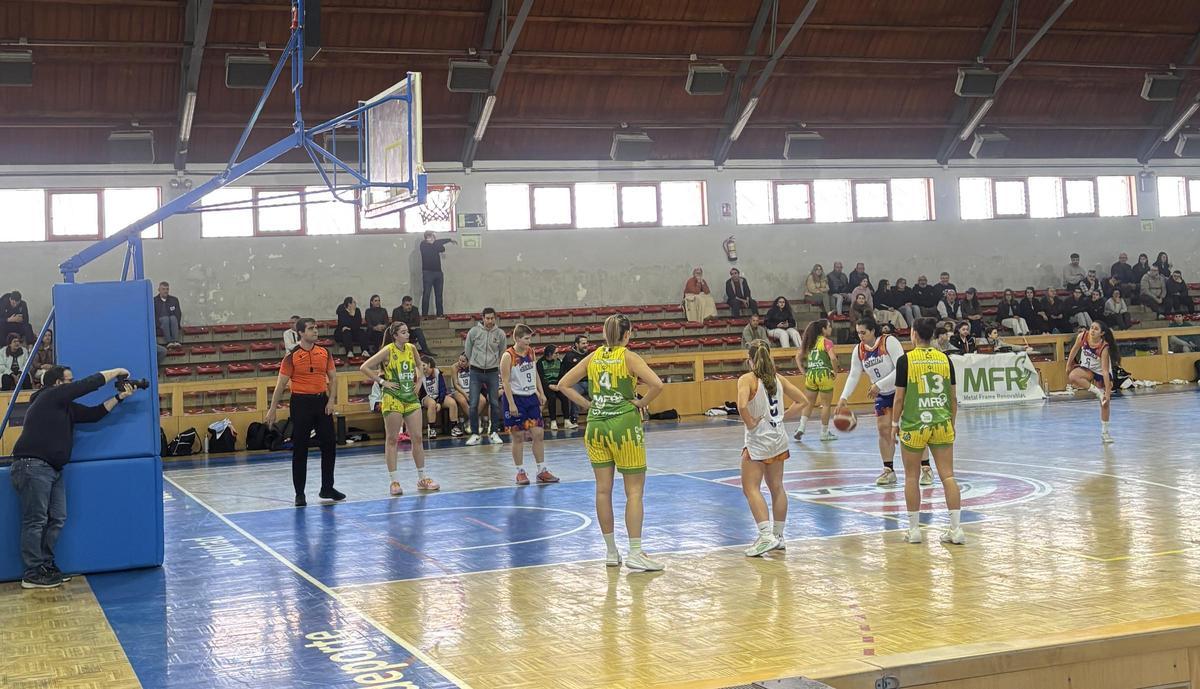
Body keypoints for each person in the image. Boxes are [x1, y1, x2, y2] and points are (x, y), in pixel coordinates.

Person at [9, 365, 138, 588]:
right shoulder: (49, 396)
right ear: (58, 383)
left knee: (57, 518)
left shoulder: (63, 407)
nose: (72, 383)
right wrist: (117, 371)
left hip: (51, 469)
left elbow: (94, 414)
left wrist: (120, 397)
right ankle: (32, 572)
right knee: (36, 520)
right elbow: (87, 384)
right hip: (33, 466)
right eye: (69, 380)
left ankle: (45, 566)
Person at [558, 315, 665, 571]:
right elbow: (657, 384)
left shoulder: (593, 356)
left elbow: (563, 384)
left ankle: (610, 551)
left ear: (605, 334)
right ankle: (636, 552)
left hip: (596, 426)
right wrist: (640, 402)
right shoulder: (628, 357)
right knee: (634, 492)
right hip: (624, 426)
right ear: (627, 335)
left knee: (603, 490)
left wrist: (588, 404)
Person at [892, 317, 965, 545]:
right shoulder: (945, 359)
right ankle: (956, 529)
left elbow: (899, 398)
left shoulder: (906, 361)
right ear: (933, 335)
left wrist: (894, 424)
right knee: (948, 476)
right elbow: (953, 398)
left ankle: (914, 530)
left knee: (912, 477)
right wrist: (951, 422)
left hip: (915, 424)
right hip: (941, 422)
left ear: (913, 334)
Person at [737, 339, 806, 556]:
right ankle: (779, 535)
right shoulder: (778, 379)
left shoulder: (747, 379)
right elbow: (803, 400)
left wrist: (749, 422)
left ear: (750, 360)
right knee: (777, 486)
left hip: (759, 439)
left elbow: (740, 405)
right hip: (778, 437)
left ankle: (766, 535)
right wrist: (783, 417)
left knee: (751, 488)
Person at [266, 318, 345, 507]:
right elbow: (281, 385)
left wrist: (331, 400)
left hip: (321, 402)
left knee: (329, 444)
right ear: (301, 333)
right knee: (300, 447)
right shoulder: (291, 357)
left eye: (316, 328)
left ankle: (327, 487)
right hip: (300, 403)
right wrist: (272, 409)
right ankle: (299, 493)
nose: (315, 331)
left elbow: (333, 378)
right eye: (311, 329)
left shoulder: (324, 352)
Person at [836, 317, 922, 487]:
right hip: (883, 394)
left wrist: (879, 384)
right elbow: (854, 374)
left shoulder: (889, 341)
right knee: (883, 430)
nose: (860, 336)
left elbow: (901, 369)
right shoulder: (859, 350)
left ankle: (925, 467)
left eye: (863, 332)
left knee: (910, 430)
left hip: (902, 389)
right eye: (858, 332)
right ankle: (889, 470)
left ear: (873, 331)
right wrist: (843, 397)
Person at [359, 322, 440, 495]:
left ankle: (422, 478)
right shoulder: (388, 350)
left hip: (410, 397)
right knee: (392, 439)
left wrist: (419, 381)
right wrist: (382, 382)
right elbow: (364, 367)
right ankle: (394, 481)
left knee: (417, 437)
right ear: (395, 335)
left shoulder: (411, 348)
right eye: (403, 332)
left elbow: (419, 365)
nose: (407, 334)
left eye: (407, 331)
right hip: (392, 397)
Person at [500, 324, 559, 485]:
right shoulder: (508, 356)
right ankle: (520, 471)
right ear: (517, 338)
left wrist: (540, 392)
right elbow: (505, 381)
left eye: (530, 338)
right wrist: (511, 404)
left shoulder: (531, 352)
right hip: (516, 398)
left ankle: (541, 470)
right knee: (518, 437)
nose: (529, 341)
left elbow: (535, 374)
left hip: (531, 397)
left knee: (538, 433)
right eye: (526, 338)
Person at [1065, 321, 1118, 444]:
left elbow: (1105, 371)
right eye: (1091, 328)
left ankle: (1105, 432)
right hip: (1087, 368)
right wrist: (1068, 365)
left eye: (1096, 329)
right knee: (1073, 376)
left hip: (1100, 372)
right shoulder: (1082, 336)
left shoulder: (1104, 347)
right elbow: (1074, 350)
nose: (1092, 330)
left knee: (1105, 403)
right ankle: (1097, 392)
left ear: (1102, 333)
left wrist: (1108, 393)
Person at [464, 307, 506, 446]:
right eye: (487, 318)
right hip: (476, 371)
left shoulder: (500, 334)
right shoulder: (474, 332)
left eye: (492, 318)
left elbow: (502, 352)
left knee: (494, 403)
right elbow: (468, 350)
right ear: (482, 318)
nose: (489, 321)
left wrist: (498, 366)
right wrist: (474, 361)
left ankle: (494, 432)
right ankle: (475, 433)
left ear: (495, 318)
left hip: (493, 371)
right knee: (473, 403)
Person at [793, 318, 837, 442]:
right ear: (823, 329)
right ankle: (824, 433)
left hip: (811, 375)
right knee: (826, 405)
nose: (830, 328)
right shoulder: (826, 342)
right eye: (829, 326)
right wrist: (835, 371)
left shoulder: (809, 342)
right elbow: (833, 358)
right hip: (824, 374)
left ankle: (801, 427)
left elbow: (797, 357)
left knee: (809, 403)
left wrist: (804, 372)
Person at [419, 354, 458, 439]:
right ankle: (432, 429)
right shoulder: (419, 375)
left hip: (438, 396)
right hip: (426, 397)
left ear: (429, 364)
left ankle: (454, 427)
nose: (422, 367)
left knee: (452, 403)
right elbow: (421, 393)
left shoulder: (437, 372)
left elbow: (442, 388)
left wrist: (440, 402)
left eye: (424, 365)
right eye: (420, 365)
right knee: (432, 403)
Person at [420, 231, 456, 318]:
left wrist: (449, 240)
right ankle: (425, 315)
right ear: (427, 237)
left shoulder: (435, 244)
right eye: (432, 236)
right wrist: (447, 240)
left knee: (439, 295)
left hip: (438, 272)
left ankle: (440, 314)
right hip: (428, 272)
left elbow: (442, 248)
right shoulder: (423, 245)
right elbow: (439, 244)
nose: (434, 238)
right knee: (426, 294)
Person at [558, 335, 589, 428]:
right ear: (576, 344)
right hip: (577, 383)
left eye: (586, 343)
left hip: (589, 381)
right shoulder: (569, 356)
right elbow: (562, 371)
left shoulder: (589, 355)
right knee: (574, 393)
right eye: (583, 343)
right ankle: (574, 419)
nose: (586, 345)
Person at [538, 344, 570, 432]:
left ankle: (567, 420)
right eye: (556, 353)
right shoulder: (540, 363)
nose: (558, 355)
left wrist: (559, 385)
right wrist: (549, 385)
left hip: (557, 385)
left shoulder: (559, 362)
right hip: (546, 386)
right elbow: (540, 377)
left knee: (564, 396)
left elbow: (562, 375)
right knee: (552, 397)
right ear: (549, 354)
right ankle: (553, 421)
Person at [154, 281, 183, 348]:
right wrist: (158, 325)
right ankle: (169, 342)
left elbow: (178, 314)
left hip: (173, 323)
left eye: (167, 289)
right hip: (160, 324)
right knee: (165, 319)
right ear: (159, 290)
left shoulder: (174, 300)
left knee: (173, 318)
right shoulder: (154, 301)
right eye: (163, 289)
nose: (165, 291)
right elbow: (153, 316)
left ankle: (175, 341)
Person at [449, 352, 472, 434]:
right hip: (457, 390)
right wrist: (465, 395)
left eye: (463, 361)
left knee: (482, 400)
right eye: (459, 360)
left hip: (470, 389)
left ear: (468, 362)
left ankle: (469, 420)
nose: (460, 363)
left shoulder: (472, 367)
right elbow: (455, 385)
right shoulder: (454, 367)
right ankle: (474, 421)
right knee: (463, 400)